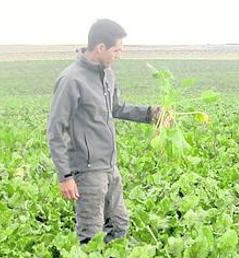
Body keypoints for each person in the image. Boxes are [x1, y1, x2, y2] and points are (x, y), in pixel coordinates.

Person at [47, 19, 160, 243]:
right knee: (91, 235)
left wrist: (150, 114)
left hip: (109, 166)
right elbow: (55, 131)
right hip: (87, 170)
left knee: (119, 225)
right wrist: (65, 176)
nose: (119, 55)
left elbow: (116, 108)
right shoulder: (71, 80)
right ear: (100, 48)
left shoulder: (107, 74)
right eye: (116, 50)